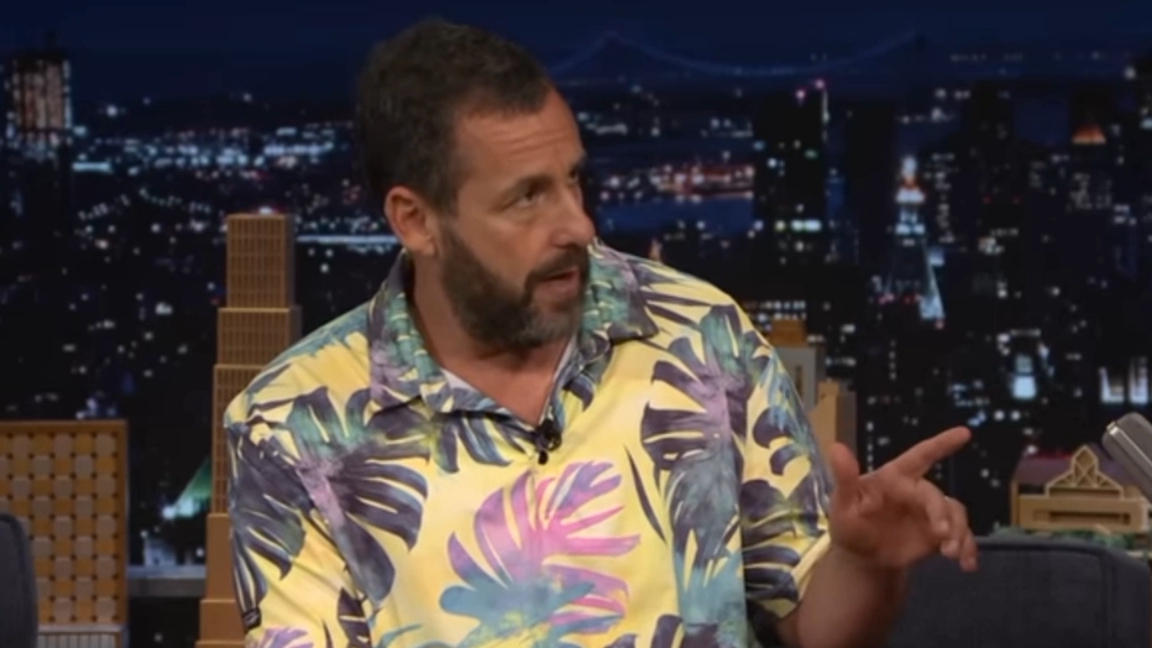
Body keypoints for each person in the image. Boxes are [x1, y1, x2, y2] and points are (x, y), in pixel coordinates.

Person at [224, 19, 977, 648]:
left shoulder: (700, 335)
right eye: (527, 197)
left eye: (574, 180)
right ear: (416, 220)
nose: (578, 225)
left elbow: (815, 628)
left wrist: (865, 563)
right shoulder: (292, 424)